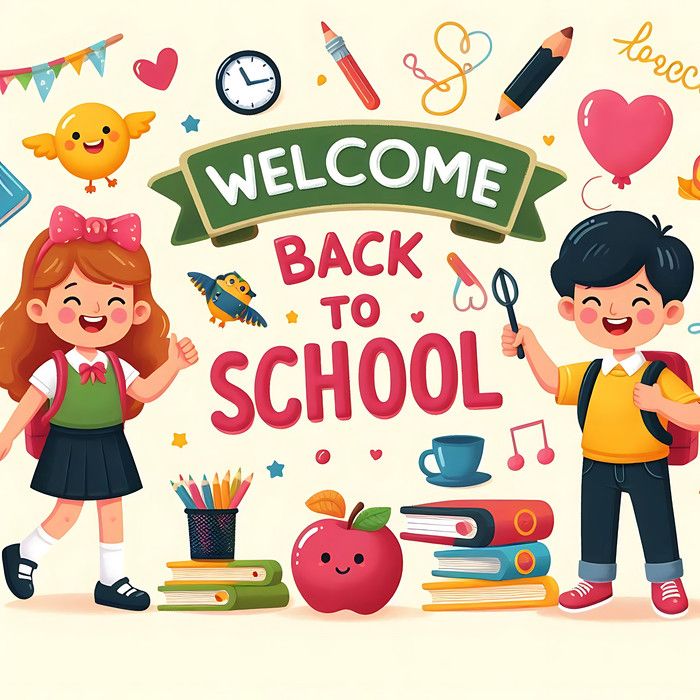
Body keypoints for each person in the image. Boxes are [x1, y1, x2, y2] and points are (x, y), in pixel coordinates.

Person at [501, 211, 700, 618]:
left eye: (638, 301)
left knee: (657, 524)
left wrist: (661, 404)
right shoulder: (592, 372)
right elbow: (555, 381)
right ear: (571, 308)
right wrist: (531, 342)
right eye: (593, 301)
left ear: (670, 311)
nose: (614, 312)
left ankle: (666, 580)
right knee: (596, 525)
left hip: (647, 465)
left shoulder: (656, 375)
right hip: (595, 464)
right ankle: (595, 579)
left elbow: (695, 417)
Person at [0, 206, 198, 611]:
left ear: (137, 312)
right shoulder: (54, 368)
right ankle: (25, 554)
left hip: (110, 441)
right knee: (68, 512)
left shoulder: (116, 364)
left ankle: (113, 581)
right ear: (41, 310)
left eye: (114, 300)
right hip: (70, 443)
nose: (96, 312)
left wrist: (173, 366)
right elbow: (29, 404)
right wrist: (5, 437)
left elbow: (142, 390)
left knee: (112, 510)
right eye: (73, 299)